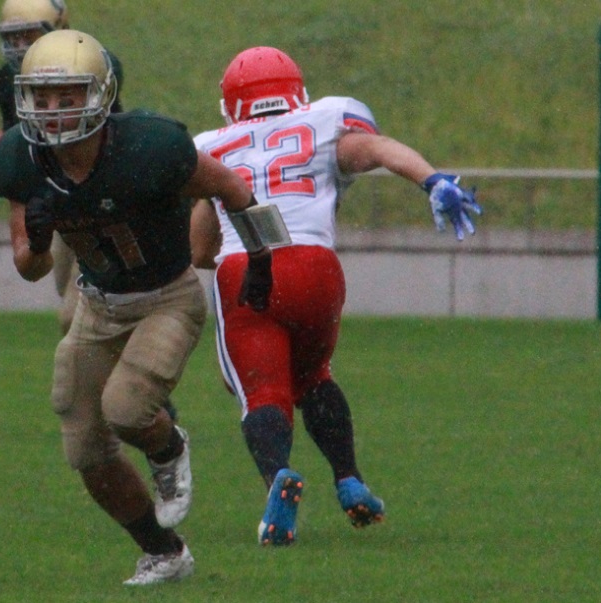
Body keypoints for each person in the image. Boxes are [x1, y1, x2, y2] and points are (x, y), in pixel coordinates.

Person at [0, 30, 274, 584]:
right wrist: (39, 240)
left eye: (68, 95)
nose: (54, 110)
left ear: (100, 94)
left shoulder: (150, 147)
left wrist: (261, 258)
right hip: (97, 306)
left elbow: (231, 186)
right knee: (85, 447)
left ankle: (168, 447)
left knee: (126, 408)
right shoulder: (19, 160)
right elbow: (30, 267)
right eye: (42, 97)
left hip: (167, 298)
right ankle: (164, 553)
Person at [190, 46, 481, 546]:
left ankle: (279, 479)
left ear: (231, 102)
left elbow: (199, 251)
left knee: (263, 392)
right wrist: (432, 181)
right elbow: (377, 149)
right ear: (295, 90)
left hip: (248, 270)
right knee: (313, 378)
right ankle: (349, 480)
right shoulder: (324, 121)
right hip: (317, 269)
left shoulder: (213, 145)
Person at [0, 0, 125, 336]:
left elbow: (105, 128)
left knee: (76, 314)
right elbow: (25, 139)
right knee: (62, 284)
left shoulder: (94, 64)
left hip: (98, 196)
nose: (19, 46)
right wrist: (3, 139)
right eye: (12, 37)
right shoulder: (5, 81)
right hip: (52, 197)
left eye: (27, 36)